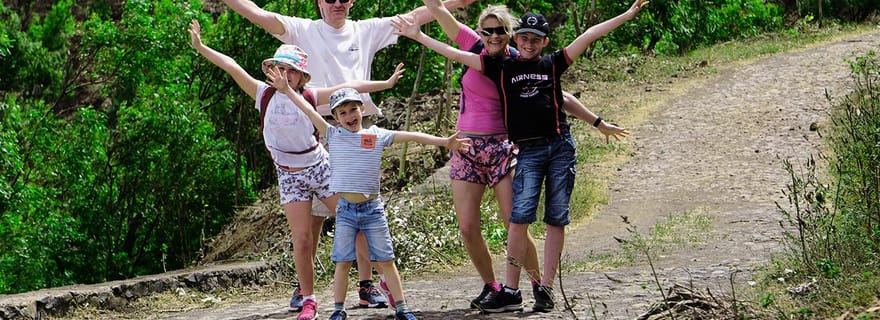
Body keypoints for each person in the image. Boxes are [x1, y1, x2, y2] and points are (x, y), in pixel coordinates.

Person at [221, 0, 477, 307]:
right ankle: (306, 288)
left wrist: (455, 2)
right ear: (320, 3)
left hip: (358, 128)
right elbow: (258, 15)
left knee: (359, 208)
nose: (338, 3)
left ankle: (366, 284)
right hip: (317, 128)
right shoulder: (303, 30)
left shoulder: (366, 30)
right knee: (314, 220)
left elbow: (416, 15)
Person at [393, 0, 645, 312]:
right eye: (489, 30)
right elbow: (445, 21)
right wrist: (418, 31)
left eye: (501, 30)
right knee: (469, 227)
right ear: (483, 31)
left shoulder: (518, 60)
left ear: (511, 35)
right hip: (467, 146)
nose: (494, 35)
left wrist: (598, 122)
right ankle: (496, 287)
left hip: (506, 147)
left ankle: (539, 285)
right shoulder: (479, 48)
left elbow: (559, 94)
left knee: (516, 219)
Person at [187, 20, 404, 320]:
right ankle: (309, 299)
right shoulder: (262, 94)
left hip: (319, 167)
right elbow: (233, 67)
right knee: (302, 239)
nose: (283, 75)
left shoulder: (310, 96)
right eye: (279, 68)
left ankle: (377, 280)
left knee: (358, 222)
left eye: (290, 70)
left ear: (301, 76)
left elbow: (348, 87)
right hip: (289, 175)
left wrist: (386, 84)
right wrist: (200, 47)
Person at [266, 78, 471, 319]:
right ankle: (339, 310)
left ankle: (403, 308)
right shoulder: (333, 134)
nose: (349, 115)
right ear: (335, 117)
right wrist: (287, 89)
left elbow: (411, 136)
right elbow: (308, 110)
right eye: (342, 112)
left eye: (353, 108)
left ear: (362, 108)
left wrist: (445, 142)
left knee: (385, 260)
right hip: (345, 211)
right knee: (342, 262)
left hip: (373, 209)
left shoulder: (376, 135)